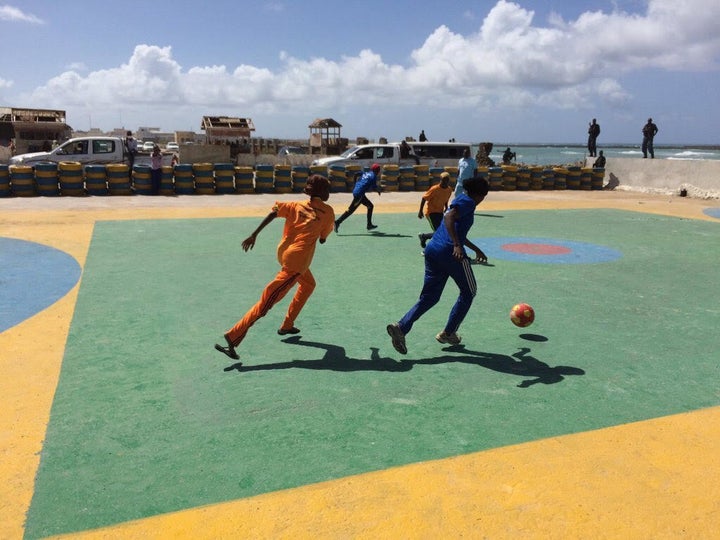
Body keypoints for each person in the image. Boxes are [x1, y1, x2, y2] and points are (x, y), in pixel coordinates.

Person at [214, 175, 335, 361]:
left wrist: (254, 234)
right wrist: (320, 234)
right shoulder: (328, 212)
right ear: (322, 193)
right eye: (327, 190)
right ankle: (233, 336)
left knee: (308, 285)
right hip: (296, 263)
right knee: (266, 302)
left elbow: (274, 212)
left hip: (285, 254)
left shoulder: (295, 206)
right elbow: (323, 238)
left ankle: (287, 325)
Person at [387, 176, 489, 355]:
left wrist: (476, 249)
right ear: (480, 195)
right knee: (469, 291)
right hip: (450, 253)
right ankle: (449, 333)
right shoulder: (469, 203)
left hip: (433, 250)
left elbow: (455, 228)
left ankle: (401, 328)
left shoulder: (459, 199)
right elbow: (448, 217)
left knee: (429, 297)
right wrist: (457, 245)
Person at [334, 163, 382, 233]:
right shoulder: (373, 176)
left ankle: (369, 225)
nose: (378, 172)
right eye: (378, 171)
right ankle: (337, 222)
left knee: (370, 206)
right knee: (350, 210)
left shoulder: (366, 173)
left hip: (358, 192)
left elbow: (356, 174)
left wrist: (355, 183)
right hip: (359, 195)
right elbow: (374, 187)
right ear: (377, 171)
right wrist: (378, 191)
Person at [418, 171, 452, 249]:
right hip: (431, 212)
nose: (444, 182)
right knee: (438, 233)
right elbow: (424, 198)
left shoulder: (449, 190)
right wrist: (420, 211)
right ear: (440, 179)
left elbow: (446, 199)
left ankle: (424, 236)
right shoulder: (434, 189)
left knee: (442, 231)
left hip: (440, 212)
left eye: (446, 180)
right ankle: (427, 249)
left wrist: (446, 207)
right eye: (443, 180)